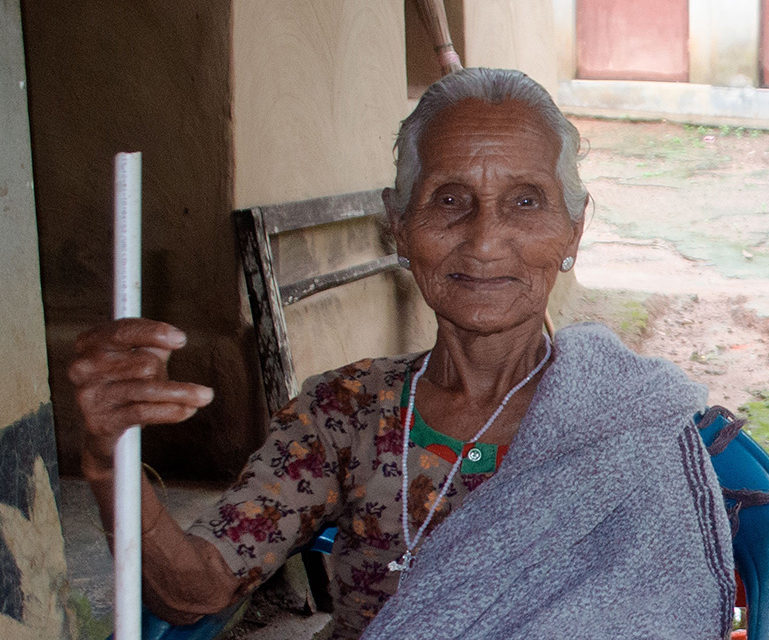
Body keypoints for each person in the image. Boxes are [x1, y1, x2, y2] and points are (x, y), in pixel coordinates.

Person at [71, 68, 735, 639]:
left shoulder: (628, 425)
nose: (483, 240)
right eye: (449, 200)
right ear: (399, 225)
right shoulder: (344, 414)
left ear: (573, 228)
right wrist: (109, 460)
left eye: (524, 202)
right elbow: (197, 590)